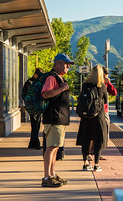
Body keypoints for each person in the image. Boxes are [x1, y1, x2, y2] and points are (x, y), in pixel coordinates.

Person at [40, 53, 74, 187]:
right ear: (58, 64)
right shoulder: (51, 77)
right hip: (54, 117)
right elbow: (45, 93)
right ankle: (46, 177)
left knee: (55, 148)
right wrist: (62, 88)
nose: (68, 68)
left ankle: (52, 174)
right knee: (51, 147)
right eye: (66, 65)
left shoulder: (58, 78)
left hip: (59, 118)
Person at [76, 65, 108, 172]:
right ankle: (96, 164)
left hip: (86, 117)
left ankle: (85, 163)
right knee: (98, 141)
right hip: (98, 117)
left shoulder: (85, 85)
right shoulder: (102, 86)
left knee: (86, 139)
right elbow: (106, 101)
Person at [22, 67, 44, 150]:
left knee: (37, 125)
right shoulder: (30, 82)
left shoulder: (35, 82)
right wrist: (29, 102)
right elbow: (24, 94)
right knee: (35, 125)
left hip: (37, 106)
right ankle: (35, 143)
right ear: (35, 74)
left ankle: (33, 142)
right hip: (33, 106)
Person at [101, 67, 117, 160]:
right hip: (97, 111)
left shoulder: (107, 84)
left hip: (105, 111)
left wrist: (109, 83)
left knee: (105, 132)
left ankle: (99, 152)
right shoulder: (96, 83)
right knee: (94, 132)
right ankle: (90, 153)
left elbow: (114, 93)